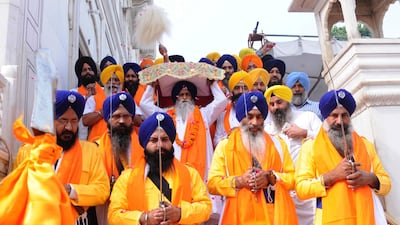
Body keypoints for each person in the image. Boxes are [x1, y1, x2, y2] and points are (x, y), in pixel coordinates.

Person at [295, 89, 391, 225]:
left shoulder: (365, 145)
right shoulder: (310, 147)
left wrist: (370, 178)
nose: (340, 121)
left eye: (344, 115)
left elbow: (386, 183)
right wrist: (331, 176)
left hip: (367, 217)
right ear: (325, 117)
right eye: (334, 115)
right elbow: (301, 188)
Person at [15, 90, 110, 225]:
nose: (69, 127)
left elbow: (102, 190)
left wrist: (71, 190)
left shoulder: (91, 151)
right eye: (63, 120)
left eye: (74, 121)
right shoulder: (29, 151)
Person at [208, 91, 299, 225]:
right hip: (239, 217)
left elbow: (293, 179)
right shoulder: (225, 145)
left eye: (259, 117)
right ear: (240, 117)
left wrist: (270, 178)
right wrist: (239, 181)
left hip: (274, 217)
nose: (254, 122)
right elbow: (212, 184)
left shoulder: (278, 144)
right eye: (249, 117)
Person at [108, 112, 212, 225]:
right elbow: (114, 215)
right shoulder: (127, 177)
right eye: (153, 140)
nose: (160, 145)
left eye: (164, 139)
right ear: (145, 145)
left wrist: (180, 213)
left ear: (171, 142)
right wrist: (144, 218)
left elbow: (206, 207)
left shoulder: (190, 173)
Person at [264, 85, 321, 225]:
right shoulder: (268, 129)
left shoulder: (308, 117)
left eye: (279, 102)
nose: (276, 107)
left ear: (288, 102)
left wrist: (305, 133)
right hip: (283, 191)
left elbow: (327, 141)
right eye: (272, 104)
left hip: (308, 189)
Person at [95, 92, 144, 225]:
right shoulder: (95, 149)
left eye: (126, 116)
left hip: (137, 214)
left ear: (132, 119)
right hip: (107, 213)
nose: (121, 121)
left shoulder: (144, 148)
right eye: (116, 116)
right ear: (107, 119)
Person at [82, 64, 124, 142]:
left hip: (120, 144)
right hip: (97, 144)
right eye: (109, 79)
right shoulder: (94, 98)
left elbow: (138, 120)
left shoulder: (126, 98)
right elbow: (85, 120)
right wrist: (104, 111)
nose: (113, 83)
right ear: (104, 82)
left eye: (116, 80)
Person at [213, 70, 252, 145]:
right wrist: (229, 137)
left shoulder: (256, 111)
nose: (241, 91)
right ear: (232, 91)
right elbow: (216, 140)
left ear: (249, 90)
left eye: (245, 88)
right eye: (237, 88)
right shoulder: (223, 112)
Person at [73, 56, 106, 140]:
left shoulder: (105, 91)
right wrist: (86, 99)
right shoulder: (74, 93)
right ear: (80, 74)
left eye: (90, 69)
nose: (88, 72)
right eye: (84, 70)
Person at [122, 62, 146, 127]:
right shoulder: (120, 92)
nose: (130, 79)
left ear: (138, 78)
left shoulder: (145, 94)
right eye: (127, 76)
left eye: (133, 76)